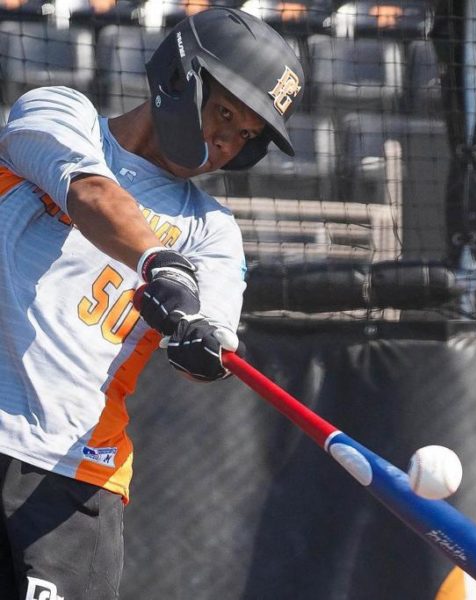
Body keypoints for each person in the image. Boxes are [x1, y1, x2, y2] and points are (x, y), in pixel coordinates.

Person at [0, 7, 304, 599]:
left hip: (70, 483)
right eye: (224, 113)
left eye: (246, 135)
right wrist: (160, 263)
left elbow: (213, 325)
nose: (226, 143)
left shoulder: (212, 230)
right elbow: (90, 191)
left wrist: (203, 343)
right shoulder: (59, 112)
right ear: (179, 77)